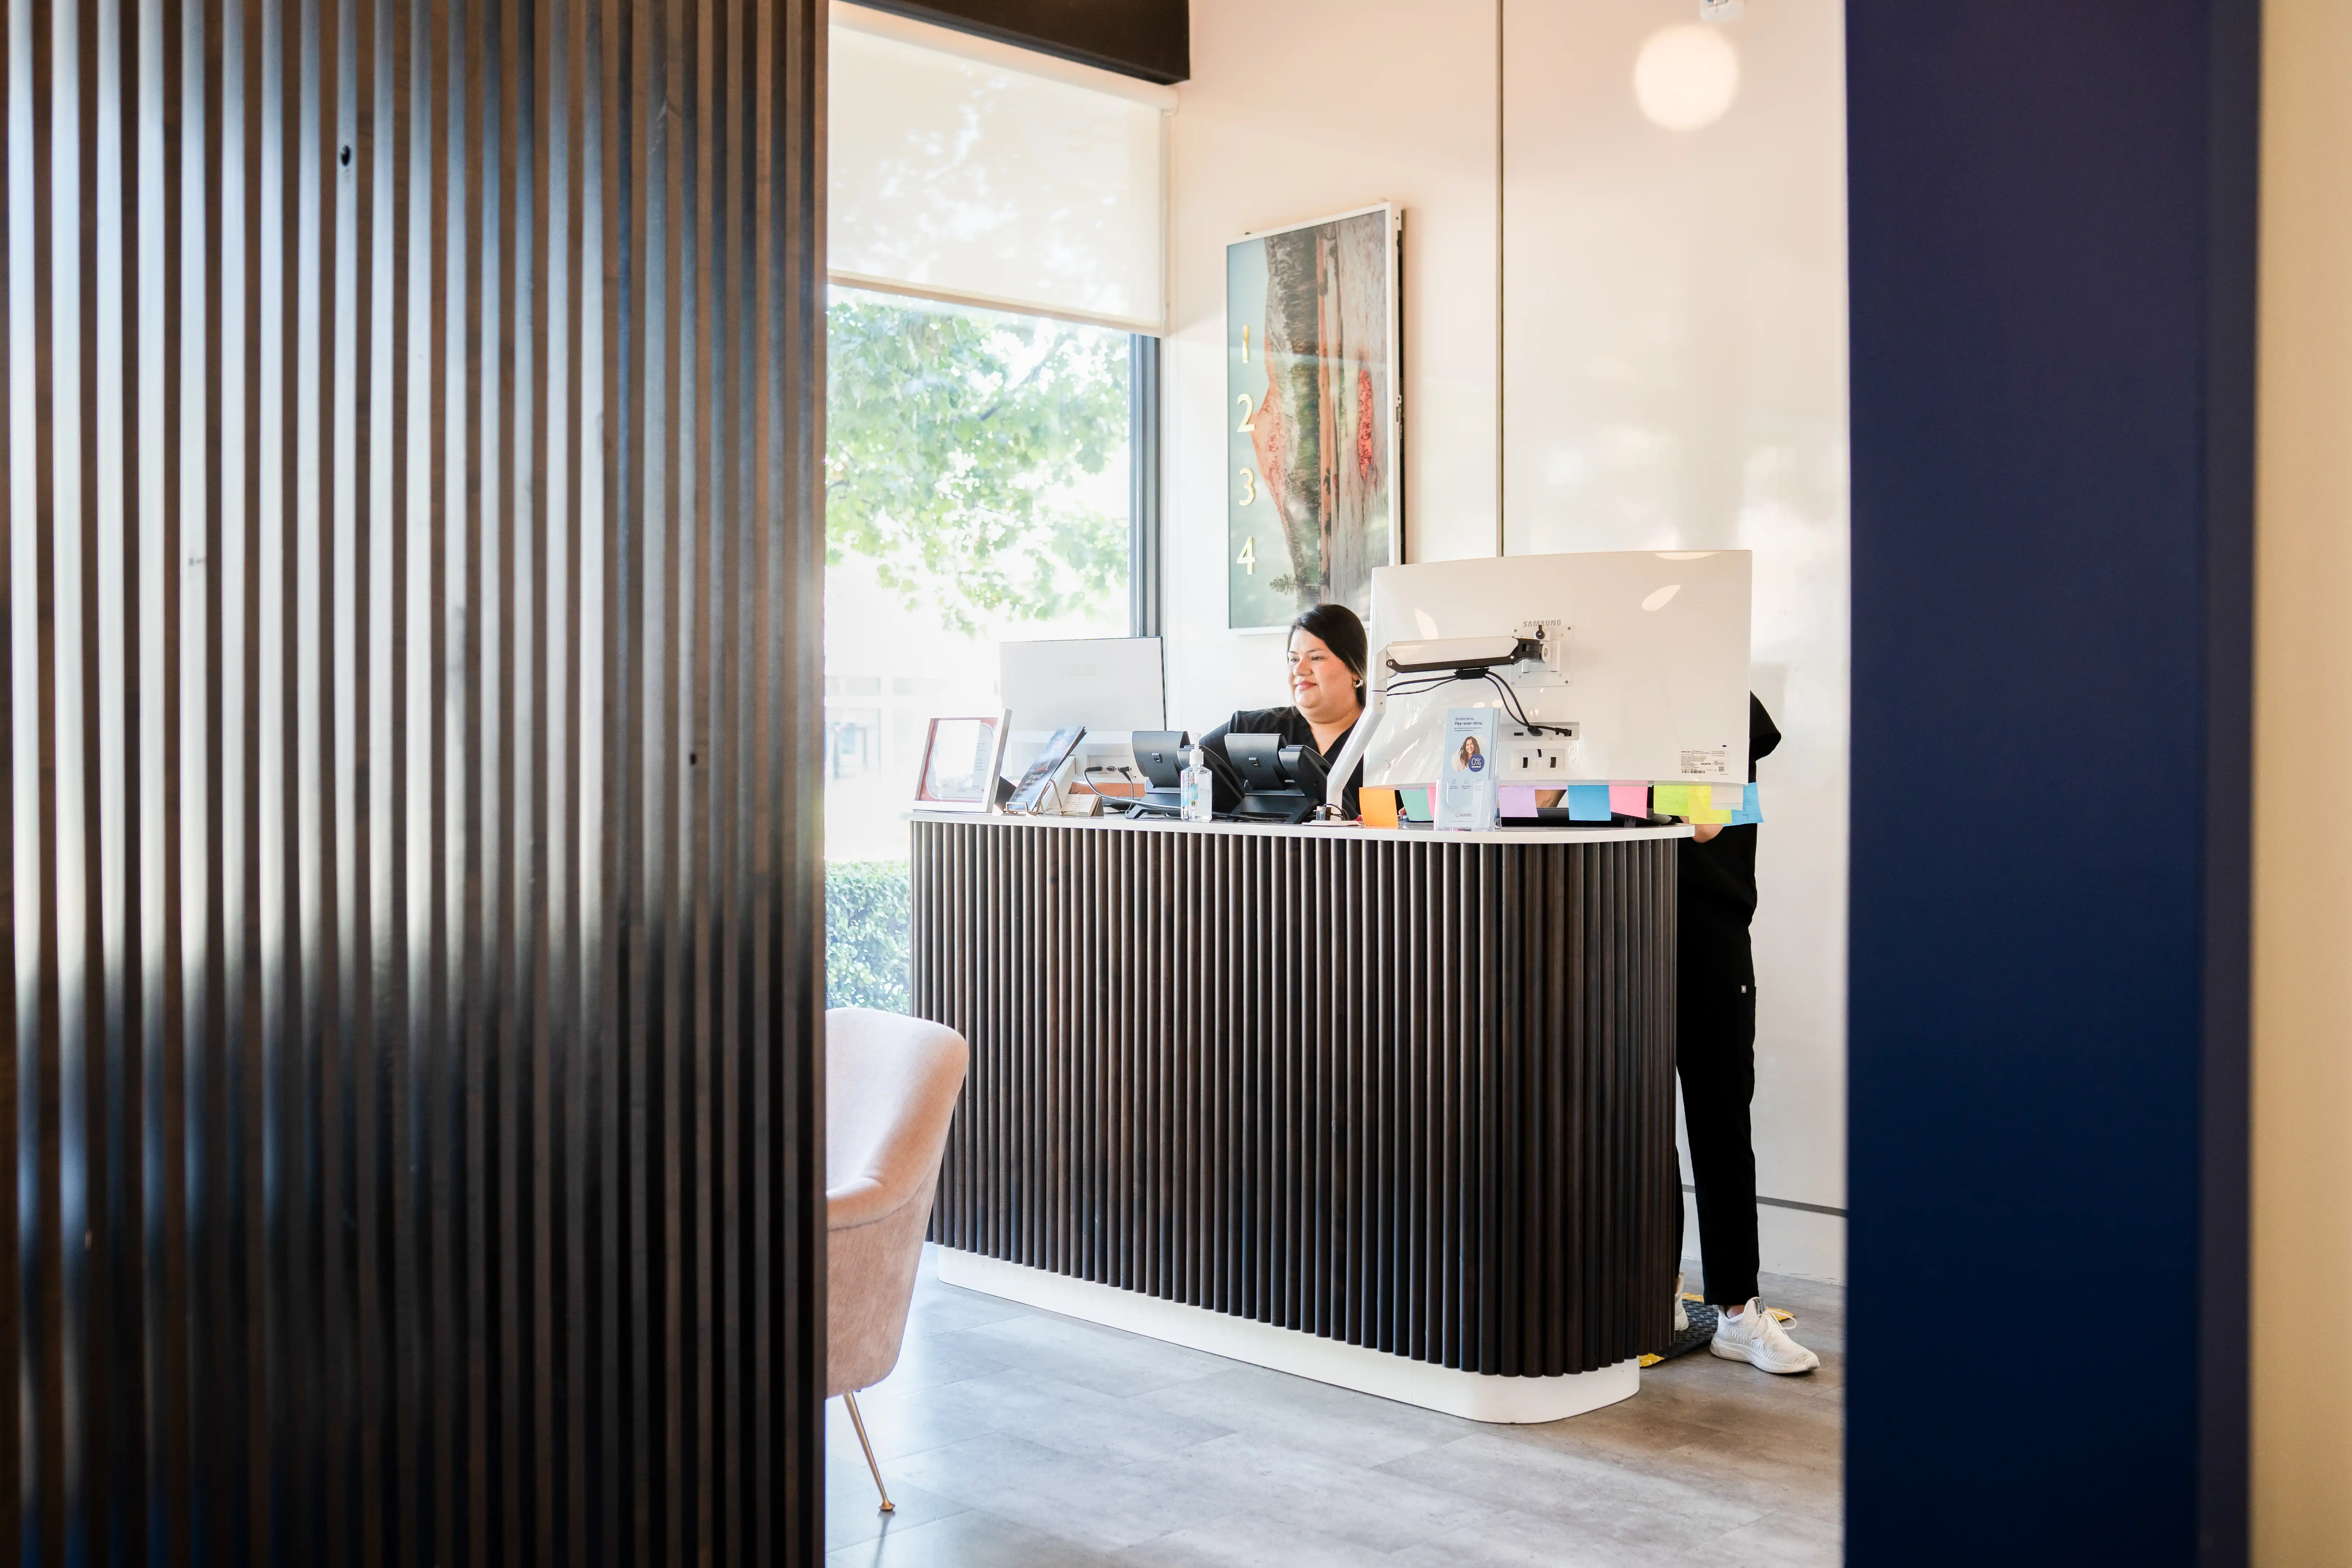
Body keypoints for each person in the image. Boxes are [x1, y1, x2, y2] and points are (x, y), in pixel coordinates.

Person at [1672, 694, 1821, 1375]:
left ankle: (1736, 1310)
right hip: (1621, 917)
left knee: (1719, 1121)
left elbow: (1705, 822)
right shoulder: (1604, 697)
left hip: (1711, 933)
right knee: (1637, 1129)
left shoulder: (1725, 697)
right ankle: (1655, 1289)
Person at [1198, 602, 1369, 818]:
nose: (1299, 669)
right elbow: (1186, 768)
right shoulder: (1250, 730)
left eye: (1316, 657)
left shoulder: (1390, 738)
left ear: (1355, 669)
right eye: (1294, 659)